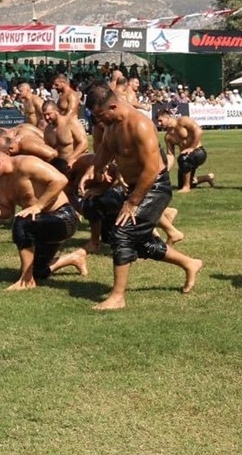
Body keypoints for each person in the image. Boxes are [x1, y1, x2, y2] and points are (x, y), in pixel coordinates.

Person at [85, 85, 203, 311]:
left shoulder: (140, 124)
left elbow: (150, 170)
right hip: (134, 187)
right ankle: (190, 263)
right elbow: (105, 153)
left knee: (122, 232)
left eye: (100, 115)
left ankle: (117, 297)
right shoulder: (111, 125)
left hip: (155, 187)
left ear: (112, 106)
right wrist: (93, 174)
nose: (99, 121)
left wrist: (132, 202)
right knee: (142, 242)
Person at [0, 144, 88, 290]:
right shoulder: (2, 181)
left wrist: (39, 206)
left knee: (21, 221)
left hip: (63, 218)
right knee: (38, 271)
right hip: (38, 225)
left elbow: (60, 180)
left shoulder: (27, 164)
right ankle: (74, 257)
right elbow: (6, 213)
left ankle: (26, 280)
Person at [156, 112, 215, 192]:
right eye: (158, 122)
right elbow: (170, 155)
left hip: (199, 152)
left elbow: (199, 131)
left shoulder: (183, 121)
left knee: (183, 158)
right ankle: (207, 178)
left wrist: (191, 147)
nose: (159, 124)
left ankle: (186, 188)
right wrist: (166, 169)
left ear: (168, 117)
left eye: (160, 120)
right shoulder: (168, 136)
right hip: (186, 158)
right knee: (181, 184)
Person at [41, 99, 89, 175]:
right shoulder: (47, 130)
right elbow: (49, 150)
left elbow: (84, 143)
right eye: (44, 115)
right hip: (59, 165)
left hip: (75, 160)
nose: (46, 117)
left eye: (49, 114)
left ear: (56, 111)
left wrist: (71, 158)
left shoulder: (70, 122)